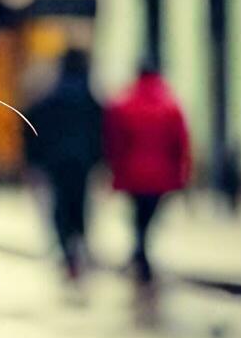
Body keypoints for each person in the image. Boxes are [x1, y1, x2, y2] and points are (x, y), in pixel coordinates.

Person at [104, 60, 191, 284]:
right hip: (161, 173)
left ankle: (140, 252)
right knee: (149, 215)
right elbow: (180, 142)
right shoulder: (170, 105)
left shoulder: (123, 103)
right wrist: (183, 172)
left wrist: (114, 169)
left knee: (138, 215)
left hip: (132, 172)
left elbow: (114, 142)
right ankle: (142, 253)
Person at [26, 48, 102, 281]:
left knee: (60, 205)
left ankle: (67, 249)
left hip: (56, 163)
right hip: (83, 162)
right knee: (80, 203)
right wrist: (101, 160)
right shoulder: (91, 99)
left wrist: (34, 160)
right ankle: (78, 243)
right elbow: (101, 132)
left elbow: (33, 127)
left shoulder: (50, 97)